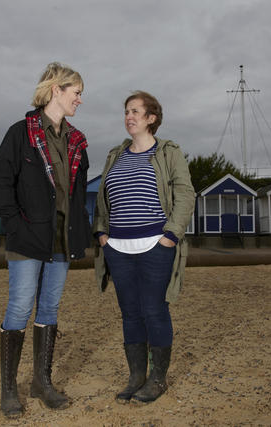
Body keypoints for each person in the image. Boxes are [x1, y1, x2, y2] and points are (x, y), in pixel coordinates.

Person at [0, 62, 90, 418]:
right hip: (26, 240)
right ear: (56, 90)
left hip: (61, 240)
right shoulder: (21, 133)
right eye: (75, 91)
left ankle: (41, 383)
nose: (80, 98)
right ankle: (9, 389)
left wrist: (82, 231)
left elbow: (76, 196)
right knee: (19, 307)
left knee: (49, 309)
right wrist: (16, 225)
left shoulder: (76, 141)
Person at [93, 91, 195, 403]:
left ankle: (158, 378)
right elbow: (102, 201)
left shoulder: (168, 152)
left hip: (156, 246)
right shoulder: (115, 155)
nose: (129, 117)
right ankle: (136, 375)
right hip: (118, 248)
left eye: (136, 111)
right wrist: (102, 236)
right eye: (126, 111)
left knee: (154, 309)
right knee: (130, 313)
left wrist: (169, 238)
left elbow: (186, 195)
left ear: (151, 118)